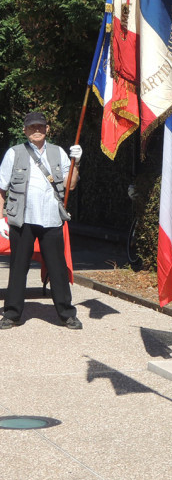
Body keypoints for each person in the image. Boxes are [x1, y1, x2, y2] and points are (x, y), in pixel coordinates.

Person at [0, 111, 83, 330]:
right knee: (18, 268)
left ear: (47, 129)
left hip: (51, 219)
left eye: (40, 126)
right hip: (22, 220)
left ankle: (67, 314)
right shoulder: (14, 153)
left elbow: (71, 185)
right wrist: (0, 218)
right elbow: (1, 188)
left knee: (57, 268)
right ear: (25, 130)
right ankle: (12, 314)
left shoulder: (58, 153)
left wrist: (77, 162)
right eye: (31, 127)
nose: (36, 130)